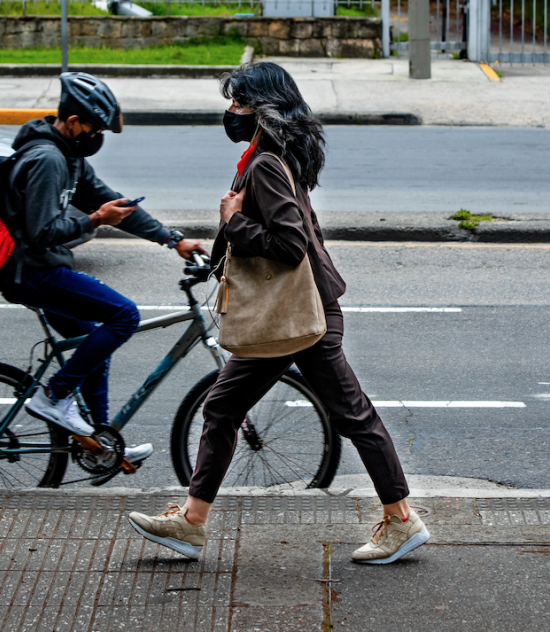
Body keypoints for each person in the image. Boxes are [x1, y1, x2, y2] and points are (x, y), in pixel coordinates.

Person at [127, 62, 430, 564]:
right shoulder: (273, 154)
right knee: (241, 408)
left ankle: (400, 519)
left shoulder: (265, 163)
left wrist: (232, 223)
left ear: (263, 109)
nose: (230, 112)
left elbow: (289, 245)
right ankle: (192, 521)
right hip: (302, 311)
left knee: (338, 415)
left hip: (297, 317)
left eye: (239, 104)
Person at [0, 72, 205, 464]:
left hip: (42, 268)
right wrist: (95, 220)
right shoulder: (47, 159)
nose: (98, 136)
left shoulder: (69, 157)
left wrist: (172, 239)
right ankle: (55, 396)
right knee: (124, 316)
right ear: (73, 122)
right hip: (34, 271)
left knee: (93, 345)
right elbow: (40, 232)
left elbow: (116, 205)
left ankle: (97, 445)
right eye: (94, 127)